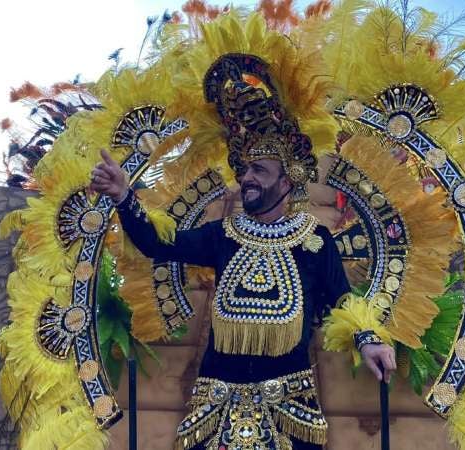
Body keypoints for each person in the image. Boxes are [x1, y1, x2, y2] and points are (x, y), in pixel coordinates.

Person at [90, 64, 396, 450]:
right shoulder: (222, 235)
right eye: (244, 169)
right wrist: (123, 196)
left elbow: (342, 300)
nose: (246, 178)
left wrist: (368, 340)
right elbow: (156, 244)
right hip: (216, 401)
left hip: (289, 404)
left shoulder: (314, 240)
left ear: (286, 181)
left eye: (259, 170)